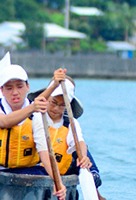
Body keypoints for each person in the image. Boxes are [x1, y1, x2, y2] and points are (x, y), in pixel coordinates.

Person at [0, 64, 66, 200]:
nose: (15, 92)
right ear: (2, 91)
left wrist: (58, 182)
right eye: (9, 88)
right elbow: (4, 121)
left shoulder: (36, 115)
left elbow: (44, 152)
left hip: (29, 172)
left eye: (20, 87)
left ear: (28, 87)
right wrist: (33, 107)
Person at [37, 70, 105, 200]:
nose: (56, 109)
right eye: (53, 103)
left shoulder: (70, 123)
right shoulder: (35, 116)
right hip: (38, 167)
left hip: (63, 166)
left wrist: (83, 156)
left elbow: (79, 142)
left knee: (82, 154)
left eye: (62, 105)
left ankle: (96, 191)